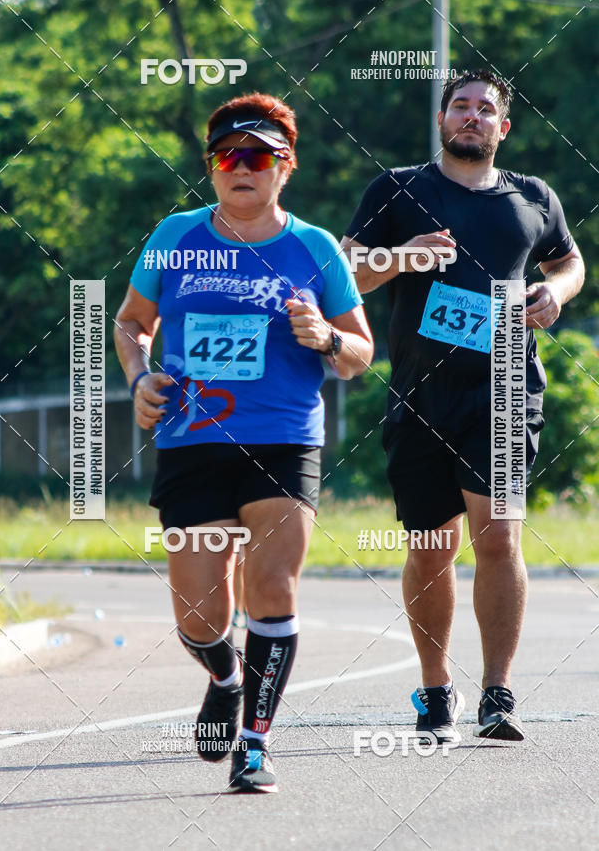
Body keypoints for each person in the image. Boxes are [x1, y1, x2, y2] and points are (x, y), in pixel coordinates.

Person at [115, 92, 373, 792]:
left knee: (273, 588)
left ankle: (255, 744)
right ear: (211, 167)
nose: (242, 167)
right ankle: (225, 678)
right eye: (228, 155)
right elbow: (132, 322)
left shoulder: (314, 248)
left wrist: (327, 337)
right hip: (191, 441)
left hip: (283, 441)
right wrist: (139, 375)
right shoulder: (175, 235)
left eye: (258, 156)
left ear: (284, 168)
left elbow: (361, 353)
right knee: (199, 616)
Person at [341, 69, 584, 744]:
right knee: (430, 547)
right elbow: (343, 274)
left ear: (503, 127)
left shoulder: (532, 196)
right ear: (443, 120)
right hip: (421, 393)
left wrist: (556, 293)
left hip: (506, 389)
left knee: (500, 536)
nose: (472, 117)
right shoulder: (397, 189)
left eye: (486, 110)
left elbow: (569, 262)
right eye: (461, 107)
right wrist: (401, 257)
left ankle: (498, 693)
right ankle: (434, 686)